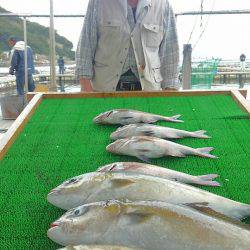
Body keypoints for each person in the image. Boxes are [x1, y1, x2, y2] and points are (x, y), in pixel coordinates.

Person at [76, 0, 179, 92]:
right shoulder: (98, 3)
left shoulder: (164, 5)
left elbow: (170, 55)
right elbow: (85, 47)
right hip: (104, 91)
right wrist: (87, 91)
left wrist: (169, 91)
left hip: (149, 92)